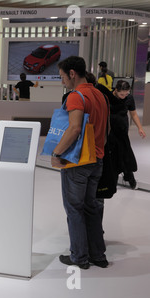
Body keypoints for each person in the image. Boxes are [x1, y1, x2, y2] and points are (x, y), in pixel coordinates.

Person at [52, 56, 109, 269]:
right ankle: (98, 256)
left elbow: (74, 128)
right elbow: (107, 129)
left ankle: (79, 257)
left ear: (72, 74)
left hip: (77, 163)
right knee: (91, 208)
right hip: (97, 160)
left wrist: (57, 152)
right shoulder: (100, 95)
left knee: (74, 209)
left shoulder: (76, 96)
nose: (62, 81)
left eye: (62, 77)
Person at [97, 80, 146, 189]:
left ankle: (130, 178)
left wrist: (140, 128)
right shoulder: (108, 97)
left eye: (126, 94)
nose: (124, 96)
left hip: (122, 130)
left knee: (125, 154)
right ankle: (111, 181)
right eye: (121, 94)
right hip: (109, 130)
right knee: (112, 155)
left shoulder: (129, 98)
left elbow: (133, 114)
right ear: (115, 91)